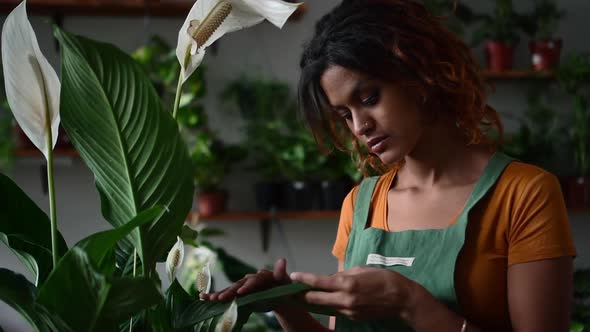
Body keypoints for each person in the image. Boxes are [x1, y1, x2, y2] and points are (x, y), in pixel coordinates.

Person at [201, 0, 577, 331]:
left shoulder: (524, 195)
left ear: (419, 74)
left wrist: (410, 303)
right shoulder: (360, 205)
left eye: (369, 97)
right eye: (344, 115)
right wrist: (284, 304)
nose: (360, 126)